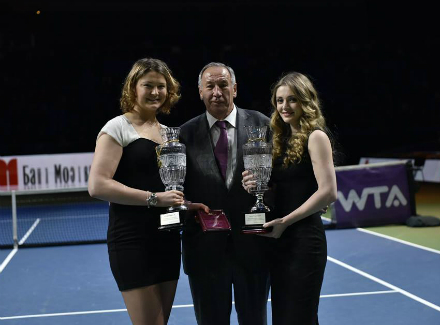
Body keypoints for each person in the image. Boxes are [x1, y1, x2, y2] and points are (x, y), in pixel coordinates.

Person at [88, 58, 207, 325]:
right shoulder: (116, 128)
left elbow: (165, 185)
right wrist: (154, 199)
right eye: (148, 85)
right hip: (131, 241)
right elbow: (97, 185)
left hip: (166, 240)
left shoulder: (168, 134)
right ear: (133, 88)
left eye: (161, 86)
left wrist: (187, 204)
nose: (155, 92)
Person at [179, 62, 271, 325]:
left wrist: (268, 189)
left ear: (235, 88)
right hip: (205, 251)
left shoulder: (262, 125)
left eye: (223, 85)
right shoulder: (184, 134)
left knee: (255, 320)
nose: (217, 92)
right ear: (200, 91)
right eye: (210, 86)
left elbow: (279, 179)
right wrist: (184, 205)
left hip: (253, 246)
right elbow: (176, 190)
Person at [242, 71, 337, 325]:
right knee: (283, 317)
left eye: (292, 99)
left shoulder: (316, 137)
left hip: (304, 240)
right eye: (280, 100)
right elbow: (281, 189)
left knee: (300, 317)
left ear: (306, 101)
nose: (285, 106)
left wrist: (286, 221)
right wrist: (254, 185)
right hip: (279, 241)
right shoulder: (278, 140)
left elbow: (328, 191)